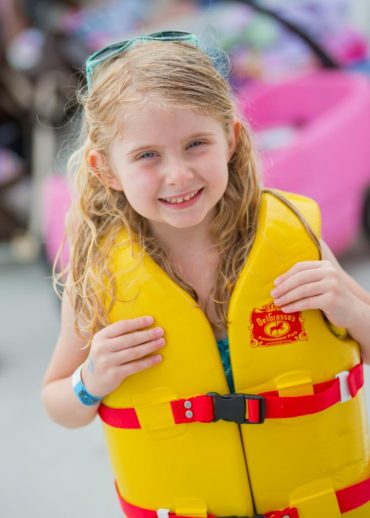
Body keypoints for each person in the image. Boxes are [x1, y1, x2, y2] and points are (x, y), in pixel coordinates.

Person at [42, 31, 370, 518]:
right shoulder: (100, 275)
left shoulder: (292, 238)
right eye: (147, 155)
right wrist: (91, 379)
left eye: (196, 144)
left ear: (231, 140)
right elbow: (58, 402)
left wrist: (348, 308)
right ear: (105, 168)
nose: (177, 175)